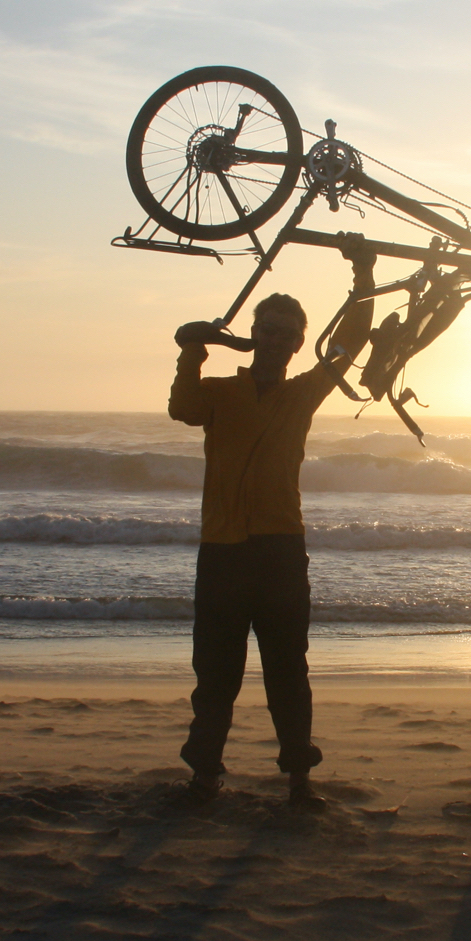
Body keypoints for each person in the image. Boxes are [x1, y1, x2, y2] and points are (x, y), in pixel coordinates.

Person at [168, 243, 375, 805]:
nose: (279, 340)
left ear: (298, 343)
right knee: (216, 673)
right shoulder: (221, 393)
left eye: (289, 334)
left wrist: (364, 273)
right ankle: (204, 774)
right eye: (270, 329)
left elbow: (350, 344)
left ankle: (299, 778)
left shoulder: (304, 393)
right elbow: (181, 407)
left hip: (282, 549)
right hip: (223, 551)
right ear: (254, 332)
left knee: (287, 669)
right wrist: (194, 348)